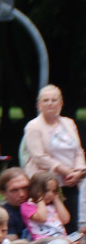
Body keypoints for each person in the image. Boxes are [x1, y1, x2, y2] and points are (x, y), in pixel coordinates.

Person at [23, 85, 86, 233]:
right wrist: (64, 170)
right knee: (55, 220)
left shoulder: (69, 123)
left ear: (60, 104)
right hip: (47, 180)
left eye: (54, 100)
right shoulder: (33, 126)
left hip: (72, 178)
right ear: (39, 105)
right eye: (46, 100)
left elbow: (78, 150)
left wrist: (79, 170)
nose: (50, 103)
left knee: (74, 215)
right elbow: (39, 156)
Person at [21, 172, 78, 244]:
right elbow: (42, 218)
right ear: (36, 190)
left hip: (62, 239)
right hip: (43, 243)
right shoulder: (27, 206)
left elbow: (65, 220)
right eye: (46, 190)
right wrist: (39, 199)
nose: (51, 194)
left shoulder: (53, 205)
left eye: (54, 191)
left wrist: (57, 199)